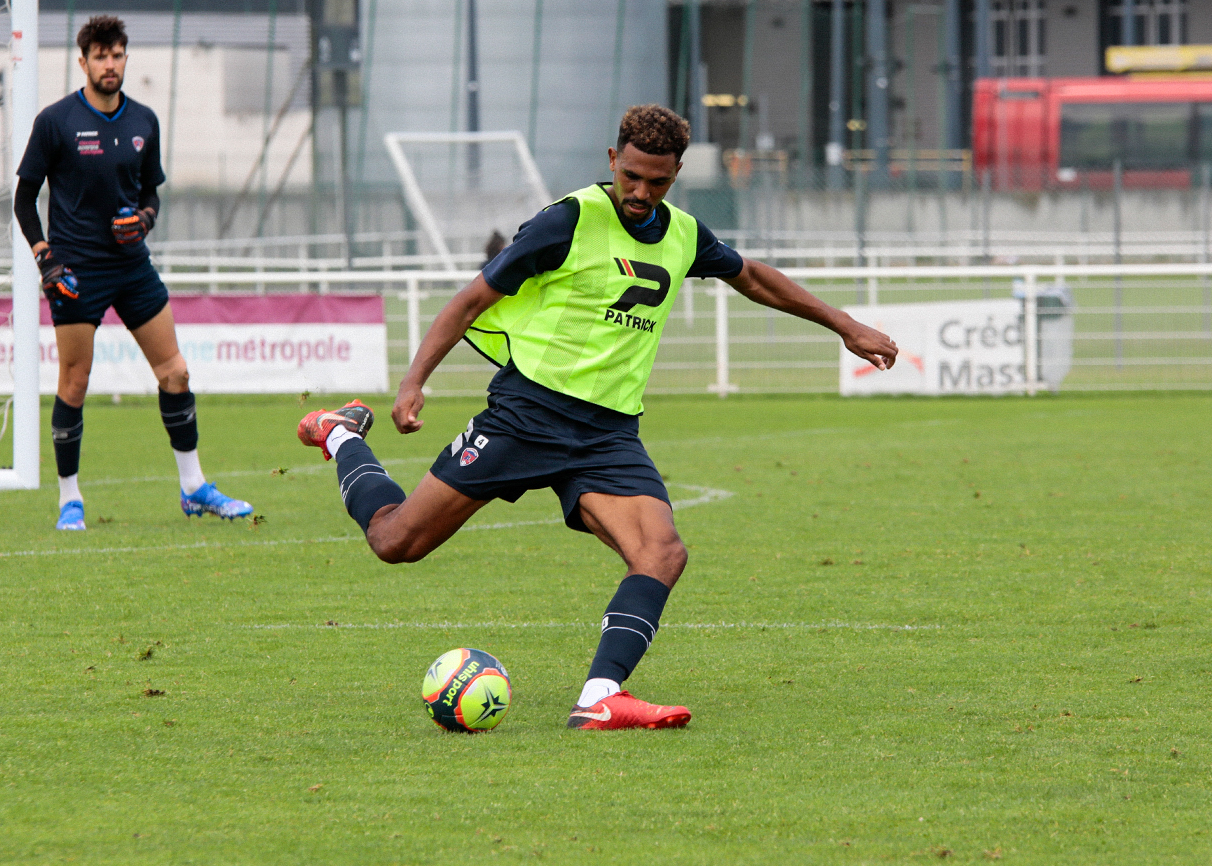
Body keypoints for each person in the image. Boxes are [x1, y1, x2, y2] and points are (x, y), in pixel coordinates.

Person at [297, 104, 897, 729]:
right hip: (526, 415)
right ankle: (342, 434)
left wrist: (845, 325)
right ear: (613, 160)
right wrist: (414, 381)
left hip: (608, 435)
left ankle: (600, 697)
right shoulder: (568, 220)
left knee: (662, 552)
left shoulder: (684, 234)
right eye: (630, 176)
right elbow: (472, 299)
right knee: (396, 542)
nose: (640, 193)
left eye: (657, 182)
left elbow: (754, 279)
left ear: (677, 174)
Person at [15, 15, 253, 530]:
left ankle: (194, 488)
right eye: (100, 56)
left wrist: (143, 220)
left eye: (117, 55)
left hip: (131, 267)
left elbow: (150, 195)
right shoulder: (55, 121)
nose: (110, 64)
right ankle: (69, 500)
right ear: (83, 62)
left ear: (126, 58)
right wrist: (44, 256)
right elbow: (23, 198)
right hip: (76, 271)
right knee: (74, 381)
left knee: (176, 372)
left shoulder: (144, 121)